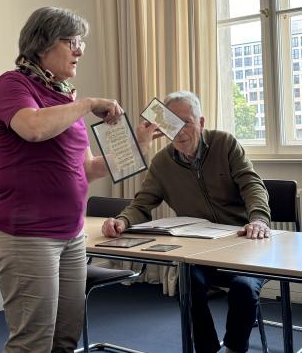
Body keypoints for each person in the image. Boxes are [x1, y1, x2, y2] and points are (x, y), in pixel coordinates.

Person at [0, 6, 156, 353]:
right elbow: (32, 129)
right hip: (26, 234)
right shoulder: (12, 84)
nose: (79, 50)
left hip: (70, 234)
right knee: (32, 343)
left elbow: (87, 168)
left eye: (81, 42)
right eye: (70, 41)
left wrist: (136, 145)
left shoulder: (63, 98)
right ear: (42, 43)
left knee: (65, 339)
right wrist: (89, 102)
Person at [102, 90, 271, 353]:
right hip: (201, 250)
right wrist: (123, 221)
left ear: (201, 122)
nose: (179, 131)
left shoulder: (224, 143)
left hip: (244, 245)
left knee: (243, 287)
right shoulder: (161, 163)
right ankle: (206, 349)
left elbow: (253, 185)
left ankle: (234, 348)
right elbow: (142, 203)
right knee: (188, 283)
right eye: (172, 123)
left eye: (187, 122)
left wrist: (259, 219)